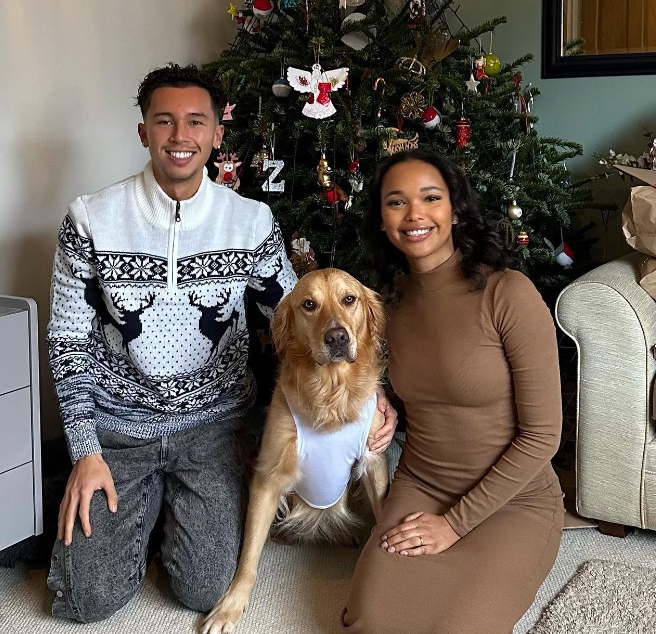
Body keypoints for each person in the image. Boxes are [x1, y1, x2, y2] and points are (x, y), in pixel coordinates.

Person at [46, 63, 397, 623]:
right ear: (143, 132)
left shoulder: (252, 222)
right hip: (119, 431)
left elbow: (300, 316)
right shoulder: (89, 220)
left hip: (213, 429)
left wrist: (371, 399)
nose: (180, 137)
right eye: (164, 121)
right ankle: (125, 506)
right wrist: (86, 451)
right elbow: (66, 344)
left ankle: (170, 514)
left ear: (216, 134)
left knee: (206, 588)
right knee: (84, 600)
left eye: (195, 122)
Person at [342, 150, 565, 634]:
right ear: (381, 221)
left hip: (517, 500)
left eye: (430, 198)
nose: (415, 214)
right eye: (396, 202)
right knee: (369, 622)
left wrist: (455, 524)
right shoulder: (387, 306)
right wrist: (381, 400)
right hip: (423, 485)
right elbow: (412, 384)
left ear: (455, 210)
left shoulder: (508, 293)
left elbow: (544, 435)